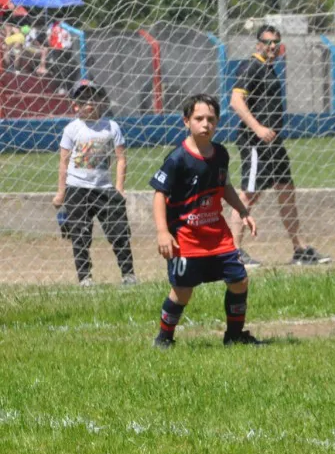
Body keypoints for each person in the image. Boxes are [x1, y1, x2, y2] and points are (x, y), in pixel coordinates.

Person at [150, 94, 261, 349]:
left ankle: (234, 336)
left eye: (211, 119)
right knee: (182, 291)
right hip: (186, 238)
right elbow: (159, 195)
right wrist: (162, 232)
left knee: (239, 280)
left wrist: (243, 211)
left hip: (217, 235)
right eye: (199, 118)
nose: (205, 124)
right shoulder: (177, 158)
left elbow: (225, 186)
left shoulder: (221, 154)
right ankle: (164, 338)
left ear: (218, 122)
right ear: (186, 121)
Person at [229, 24, 329, 268]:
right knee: (247, 195)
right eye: (267, 42)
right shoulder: (252, 65)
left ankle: (300, 249)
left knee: (287, 191)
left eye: (276, 42)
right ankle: (232, 252)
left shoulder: (269, 68)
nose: (272, 46)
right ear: (258, 44)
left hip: (274, 144)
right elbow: (235, 100)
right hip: (255, 143)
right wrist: (258, 128)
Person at [52, 83, 136, 287]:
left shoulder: (111, 127)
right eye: (83, 100)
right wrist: (61, 193)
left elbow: (121, 158)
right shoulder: (71, 129)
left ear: (102, 102)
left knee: (119, 231)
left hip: (104, 188)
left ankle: (128, 274)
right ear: (75, 106)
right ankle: (85, 278)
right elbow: (63, 161)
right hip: (77, 189)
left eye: (93, 98)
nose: (89, 103)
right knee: (80, 235)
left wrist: (119, 188)